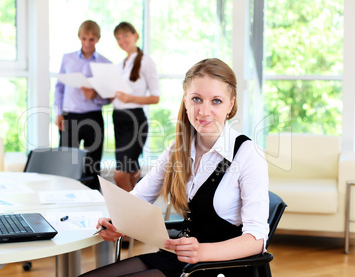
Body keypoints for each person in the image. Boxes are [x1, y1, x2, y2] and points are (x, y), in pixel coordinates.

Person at [80, 58, 269, 277]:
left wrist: (203, 251)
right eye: (196, 99)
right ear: (186, 102)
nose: (204, 111)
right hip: (179, 257)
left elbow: (257, 239)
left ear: (231, 104)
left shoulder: (248, 154)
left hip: (218, 267)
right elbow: (140, 197)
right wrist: (117, 222)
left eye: (216, 101)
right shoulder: (179, 147)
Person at [54, 20, 111, 189]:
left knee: (92, 165)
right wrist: (58, 113)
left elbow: (108, 97)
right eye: (84, 38)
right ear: (79, 37)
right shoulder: (68, 59)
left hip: (93, 117)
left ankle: (92, 203)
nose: (87, 43)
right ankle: (63, 200)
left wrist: (95, 95)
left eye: (91, 39)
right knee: (66, 163)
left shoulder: (105, 63)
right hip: (69, 117)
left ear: (98, 39)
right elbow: (59, 88)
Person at [112, 22, 160, 193]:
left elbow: (155, 97)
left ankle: (129, 214)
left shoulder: (146, 62)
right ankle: (138, 215)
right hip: (118, 120)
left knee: (120, 175)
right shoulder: (120, 64)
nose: (122, 40)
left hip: (134, 121)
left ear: (135, 36)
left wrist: (130, 98)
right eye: (118, 38)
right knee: (132, 173)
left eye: (125, 35)